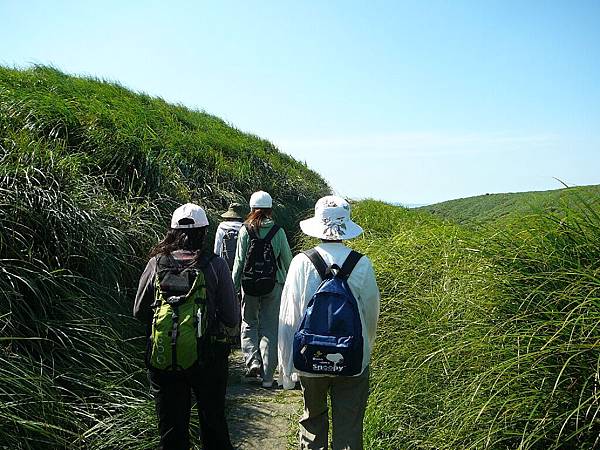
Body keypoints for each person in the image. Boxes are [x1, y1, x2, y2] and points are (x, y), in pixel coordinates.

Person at [278, 195, 380, 450]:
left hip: (310, 355)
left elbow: (290, 315)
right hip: (352, 358)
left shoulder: (302, 262)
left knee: (312, 422)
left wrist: (287, 367)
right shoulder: (361, 263)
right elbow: (371, 315)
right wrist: (364, 352)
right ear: (346, 227)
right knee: (349, 426)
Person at [133, 203, 239, 450]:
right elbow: (232, 318)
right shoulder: (215, 265)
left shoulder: (157, 263)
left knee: (171, 429)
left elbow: (138, 310)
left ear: (171, 231)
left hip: (164, 356)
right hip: (208, 358)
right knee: (213, 423)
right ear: (203, 231)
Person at [232, 190, 292, 388]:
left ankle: (253, 363)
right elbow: (288, 261)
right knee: (269, 328)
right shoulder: (278, 231)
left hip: (248, 285)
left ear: (251, 208)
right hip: (273, 284)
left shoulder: (245, 230)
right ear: (270, 209)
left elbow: (239, 262)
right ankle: (268, 378)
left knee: (249, 323)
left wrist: (233, 287)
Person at [214, 202, 246, 271]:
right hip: (240, 266)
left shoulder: (221, 227)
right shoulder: (244, 228)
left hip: (224, 266)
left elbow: (217, 249)